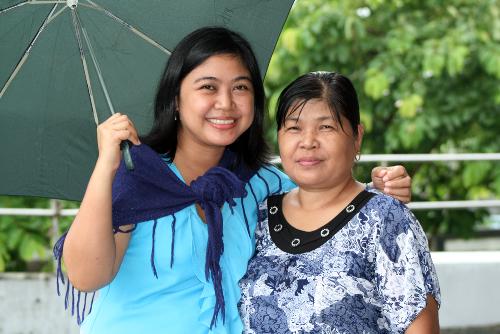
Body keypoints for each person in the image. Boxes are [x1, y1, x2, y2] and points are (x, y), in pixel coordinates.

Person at [55, 28, 411, 334]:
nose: (225, 103)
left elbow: (331, 205)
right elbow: (86, 276)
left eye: (240, 88)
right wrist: (106, 166)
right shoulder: (139, 176)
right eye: (208, 87)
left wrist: (376, 192)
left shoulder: (265, 186)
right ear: (176, 100)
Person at [239, 72, 440, 334]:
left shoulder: (384, 219)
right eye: (294, 127)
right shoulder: (259, 215)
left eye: (326, 127)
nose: (308, 142)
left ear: (357, 137)